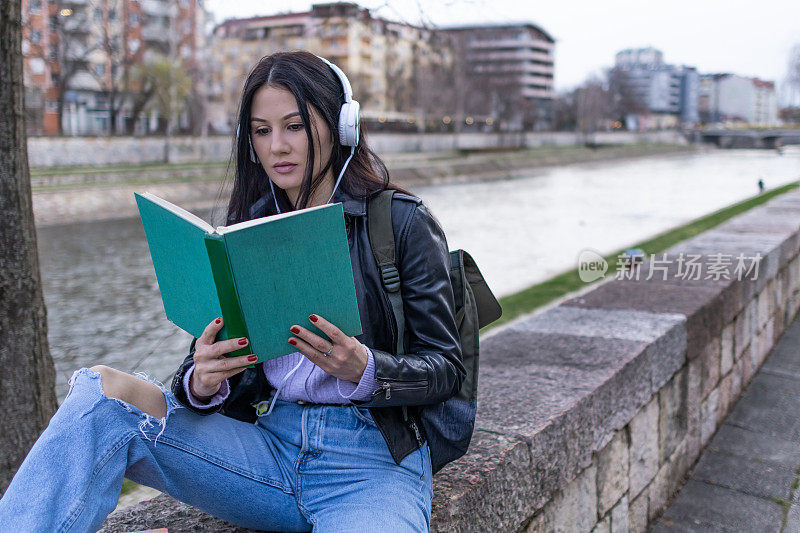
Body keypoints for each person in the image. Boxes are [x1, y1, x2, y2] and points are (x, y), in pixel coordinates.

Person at [0, 50, 464, 532]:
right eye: (262, 131)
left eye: (295, 126)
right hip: (265, 451)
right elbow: (206, 364)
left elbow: (446, 369)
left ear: (341, 125)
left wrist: (365, 368)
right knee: (102, 396)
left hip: (370, 465)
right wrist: (202, 381)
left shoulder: (401, 220)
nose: (277, 146)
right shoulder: (247, 227)